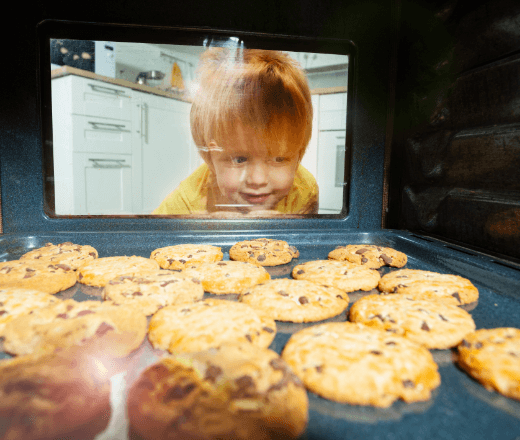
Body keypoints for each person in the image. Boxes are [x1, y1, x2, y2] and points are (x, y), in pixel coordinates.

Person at [153, 47, 318, 216]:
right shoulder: (188, 199)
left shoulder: (305, 190)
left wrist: (285, 226)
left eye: (279, 158)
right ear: (210, 158)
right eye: (239, 159)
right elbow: (150, 236)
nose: (258, 180)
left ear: (298, 156)